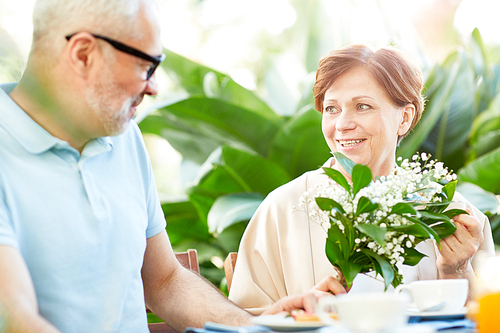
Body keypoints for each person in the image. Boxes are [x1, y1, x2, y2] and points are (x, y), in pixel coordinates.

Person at [0, 0, 323, 332]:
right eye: (146, 66)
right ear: (83, 54)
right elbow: (16, 319)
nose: (154, 87)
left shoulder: (124, 139)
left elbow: (165, 281)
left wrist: (253, 326)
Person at [228, 43, 495, 315]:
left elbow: (487, 320)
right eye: (331, 108)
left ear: (404, 118)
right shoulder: (281, 210)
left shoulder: (450, 213)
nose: (342, 124)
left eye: (362, 106)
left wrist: (456, 269)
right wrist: (299, 314)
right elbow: (238, 323)